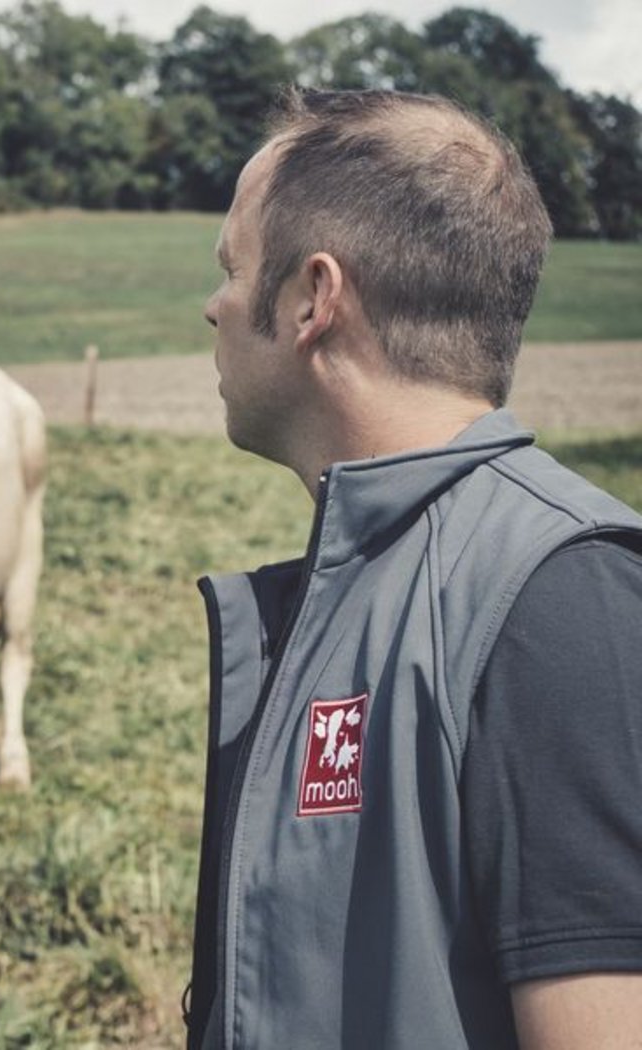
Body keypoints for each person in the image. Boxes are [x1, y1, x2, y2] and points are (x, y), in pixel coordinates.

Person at [185, 88, 642, 1050]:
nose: (213, 305)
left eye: (232, 268)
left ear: (313, 299)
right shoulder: (363, 576)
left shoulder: (557, 600)